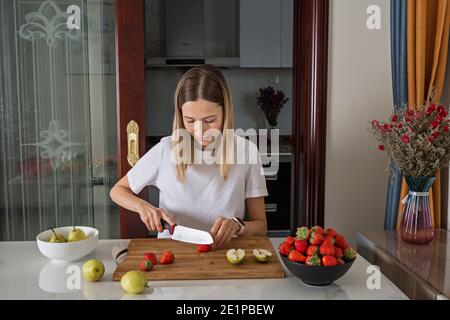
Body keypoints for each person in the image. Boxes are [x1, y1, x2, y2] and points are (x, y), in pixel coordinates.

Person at [110, 65, 268, 248]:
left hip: (225, 256)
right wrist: (142, 207)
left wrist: (238, 225)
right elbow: (117, 190)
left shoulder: (247, 151)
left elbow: (261, 226)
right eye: (190, 121)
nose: (200, 131)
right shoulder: (166, 150)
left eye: (210, 120)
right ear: (180, 115)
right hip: (173, 256)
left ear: (226, 112)